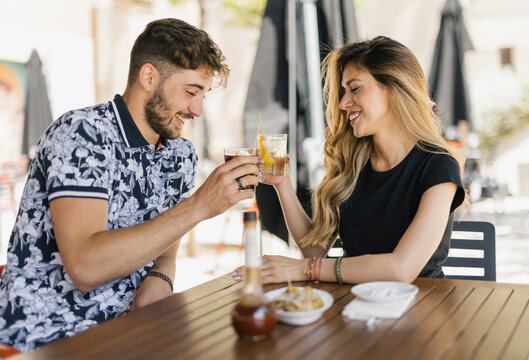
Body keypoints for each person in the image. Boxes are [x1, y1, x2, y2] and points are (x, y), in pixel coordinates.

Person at [0, 18, 260, 352]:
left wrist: (161, 278)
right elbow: (85, 267)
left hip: (132, 330)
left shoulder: (180, 155)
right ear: (149, 77)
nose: (196, 109)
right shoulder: (82, 134)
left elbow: (166, 252)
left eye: (203, 96)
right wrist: (198, 207)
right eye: (191, 92)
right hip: (50, 334)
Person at [232, 36, 466, 285]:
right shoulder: (353, 164)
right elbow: (314, 251)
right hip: (355, 305)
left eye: (354, 89)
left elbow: (401, 269)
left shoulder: (439, 166)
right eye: (344, 92)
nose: (343, 103)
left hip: (423, 307)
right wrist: (283, 183)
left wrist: (305, 269)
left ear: (395, 86)